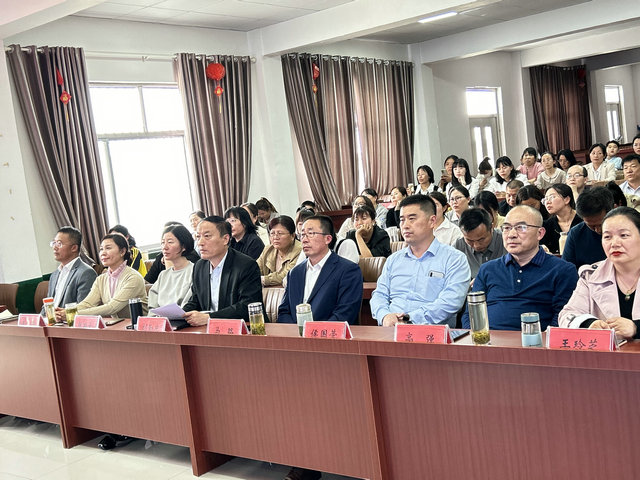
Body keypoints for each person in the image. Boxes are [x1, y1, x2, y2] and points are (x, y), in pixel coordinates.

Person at [462, 206, 577, 330]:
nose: (511, 235)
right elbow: (471, 313)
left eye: (521, 227)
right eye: (506, 228)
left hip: (535, 340)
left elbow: (562, 317)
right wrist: (476, 338)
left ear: (540, 233)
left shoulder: (562, 270)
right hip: (488, 339)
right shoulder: (487, 269)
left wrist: (542, 340)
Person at [371, 195, 470, 327]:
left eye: (412, 219)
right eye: (402, 220)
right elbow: (379, 294)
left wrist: (409, 319)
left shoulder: (454, 259)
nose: (405, 225)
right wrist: (385, 316)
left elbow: (451, 301)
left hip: (432, 333)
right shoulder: (393, 260)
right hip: (391, 331)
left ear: (432, 221)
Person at [559, 207, 640, 340]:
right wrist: (589, 323)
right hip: (606, 352)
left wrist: (636, 327)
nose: (614, 243)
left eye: (624, 235)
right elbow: (567, 315)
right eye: (607, 237)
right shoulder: (591, 275)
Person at [277, 215, 363, 325]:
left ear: (328, 239)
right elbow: (284, 312)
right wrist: (297, 331)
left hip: (329, 334)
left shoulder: (348, 270)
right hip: (295, 334)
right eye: (302, 235)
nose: (304, 239)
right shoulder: (294, 273)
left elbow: (345, 314)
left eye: (311, 233)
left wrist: (312, 331)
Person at [183, 216, 263, 325]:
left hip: (242, 328)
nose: (200, 242)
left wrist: (210, 318)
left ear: (225, 239)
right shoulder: (199, 266)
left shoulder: (246, 265)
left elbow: (246, 306)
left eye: (207, 236)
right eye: (198, 236)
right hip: (208, 329)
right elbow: (195, 300)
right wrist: (179, 315)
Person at [77, 233, 148, 319]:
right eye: (101, 249)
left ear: (122, 251)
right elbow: (87, 304)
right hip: (117, 325)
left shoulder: (133, 277)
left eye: (108, 248)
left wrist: (73, 314)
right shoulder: (100, 279)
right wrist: (67, 311)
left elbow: (112, 307)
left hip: (139, 325)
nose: (103, 253)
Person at [44, 226, 97, 322]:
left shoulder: (86, 273)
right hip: (53, 324)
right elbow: (47, 306)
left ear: (74, 248)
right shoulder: (54, 275)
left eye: (59, 243)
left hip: (70, 325)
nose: (55, 247)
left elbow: (84, 309)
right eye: (54, 243)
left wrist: (61, 316)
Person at [562, 187, 614, 269]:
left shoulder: (627, 230)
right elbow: (566, 269)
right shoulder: (576, 234)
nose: (598, 230)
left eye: (601, 224)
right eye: (592, 226)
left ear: (611, 211)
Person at [148, 225, 196, 309]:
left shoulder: (194, 271)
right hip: (160, 316)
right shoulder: (163, 275)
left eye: (170, 242)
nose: (165, 247)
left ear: (184, 246)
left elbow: (189, 304)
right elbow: (152, 306)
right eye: (163, 242)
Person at [455, 208, 507, 278]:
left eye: (481, 239)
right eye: (470, 241)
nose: (476, 245)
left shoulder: (507, 242)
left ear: (491, 228)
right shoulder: (458, 246)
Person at [256, 215, 302, 286]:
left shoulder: (300, 250)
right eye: (272, 233)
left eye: (280, 233)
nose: (275, 237)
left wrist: (264, 280)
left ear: (292, 236)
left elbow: (287, 275)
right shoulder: (268, 249)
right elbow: (255, 269)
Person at [541, 184, 582, 254]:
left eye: (552, 197)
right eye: (545, 199)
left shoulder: (583, 220)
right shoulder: (546, 225)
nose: (547, 202)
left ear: (567, 199)